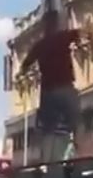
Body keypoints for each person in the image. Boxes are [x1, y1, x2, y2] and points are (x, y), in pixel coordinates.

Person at [21, 9, 83, 160]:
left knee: (48, 127)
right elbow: (80, 34)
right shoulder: (63, 37)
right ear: (56, 24)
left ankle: (46, 159)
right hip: (64, 86)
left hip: (48, 91)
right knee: (76, 119)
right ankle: (79, 149)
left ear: (45, 26)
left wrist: (26, 72)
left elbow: (25, 64)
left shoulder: (40, 45)